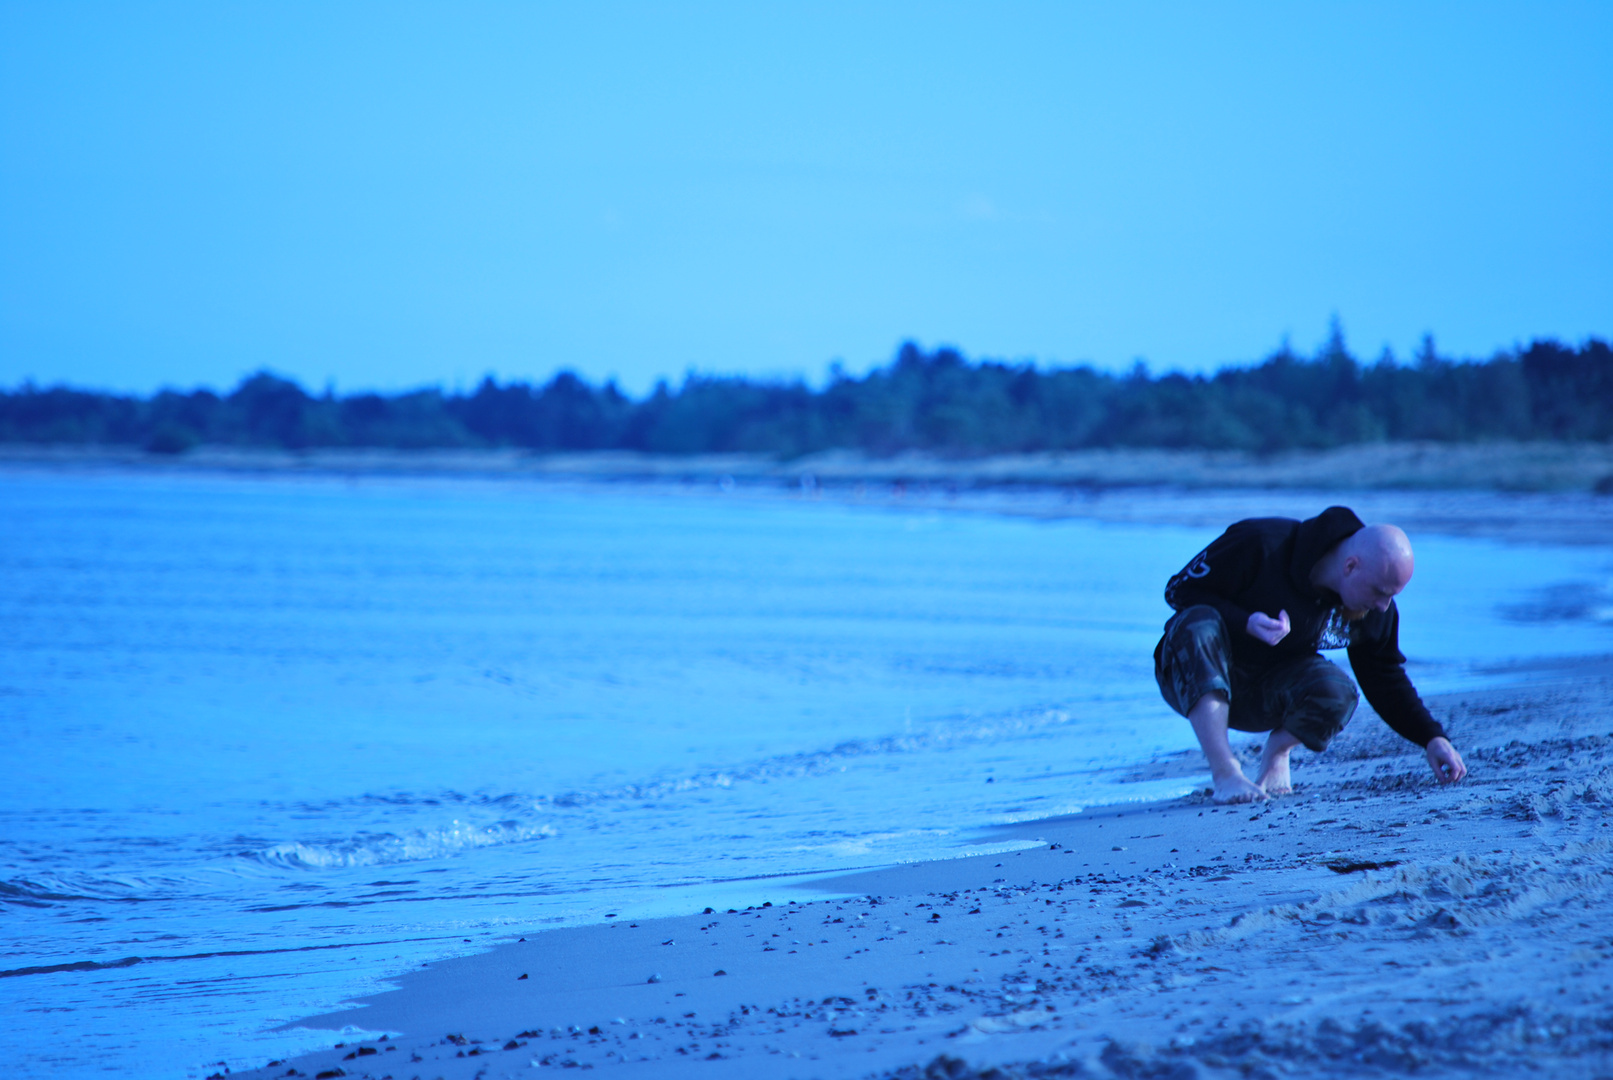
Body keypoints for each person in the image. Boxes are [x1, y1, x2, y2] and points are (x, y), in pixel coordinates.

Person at [1154, 506, 1467, 803]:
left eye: (1392, 596)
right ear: (1350, 566)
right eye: (1381, 593)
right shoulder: (1261, 542)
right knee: (1197, 624)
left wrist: (1431, 737)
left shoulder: (1372, 604)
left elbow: (1384, 676)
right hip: (1193, 677)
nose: (1384, 606)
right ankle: (1225, 773)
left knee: (1338, 690)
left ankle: (1277, 753)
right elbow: (1178, 591)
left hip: (1267, 693)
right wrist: (1245, 621)